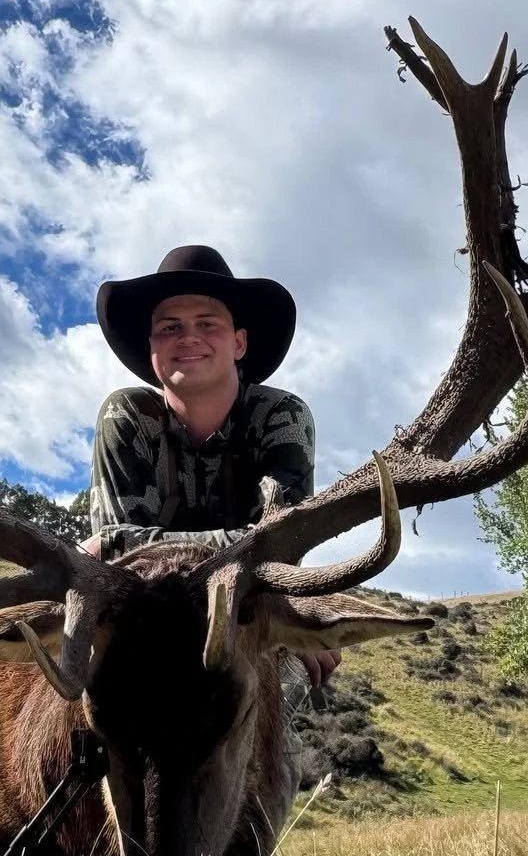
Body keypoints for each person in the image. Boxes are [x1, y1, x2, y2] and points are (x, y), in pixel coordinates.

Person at [87, 245, 339, 689]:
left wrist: (117, 544)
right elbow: (124, 564)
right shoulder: (124, 416)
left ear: (239, 342)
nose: (188, 337)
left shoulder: (281, 417)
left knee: (293, 672)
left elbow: (281, 543)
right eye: (170, 327)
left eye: (208, 323)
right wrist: (117, 546)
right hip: (141, 615)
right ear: (152, 348)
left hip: (245, 612)